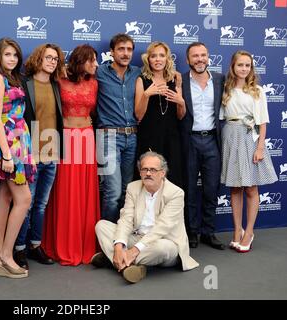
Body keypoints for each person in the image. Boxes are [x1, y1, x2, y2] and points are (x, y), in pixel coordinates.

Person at [93, 151, 199, 284]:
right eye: (145, 169)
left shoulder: (175, 193)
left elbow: (162, 228)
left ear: (163, 173)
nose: (148, 173)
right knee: (102, 226)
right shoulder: (133, 188)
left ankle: (115, 259)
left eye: (153, 170)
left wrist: (135, 250)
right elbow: (126, 219)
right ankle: (128, 265)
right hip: (137, 237)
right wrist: (119, 246)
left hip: (163, 241)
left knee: (162, 248)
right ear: (140, 172)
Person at [42, 44, 101, 266]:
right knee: (65, 191)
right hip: (64, 139)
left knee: (85, 192)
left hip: (86, 138)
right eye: (91, 60)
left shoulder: (94, 83)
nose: (96, 64)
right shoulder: (59, 79)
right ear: (80, 61)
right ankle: (62, 244)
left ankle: (84, 244)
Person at [0, 38, 36, 278]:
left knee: (5, 196)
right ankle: (6, 255)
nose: (12, 59)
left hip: (18, 140)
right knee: (23, 199)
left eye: (15, 55)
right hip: (8, 144)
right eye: (7, 54)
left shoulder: (14, 78)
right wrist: (5, 153)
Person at [13, 44, 65, 269]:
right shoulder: (25, 84)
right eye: (48, 57)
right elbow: (16, 119)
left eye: (55, 59)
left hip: (51, 155)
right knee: (27, 203)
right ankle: (19, 249)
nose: (52, 62)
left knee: (41, 205)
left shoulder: (55, 85)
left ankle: (35, 245)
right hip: (30, 156)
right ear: (38, 58)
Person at [220, 50, 277, 253]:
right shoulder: (225, 88)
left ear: (251, 68)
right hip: (229, 136)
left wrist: (260, 147)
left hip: (249, 138)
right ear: (233, 67)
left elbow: (262, 123)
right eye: (240, 65)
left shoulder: (257, 91)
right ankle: (237, 230)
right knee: (235, 188)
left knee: (251, 188)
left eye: (247, 65)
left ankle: (249, 232)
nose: (244, 69)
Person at [180, 42, 226, 250]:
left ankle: (208, 231)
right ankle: (192, 232)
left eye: (203, 55)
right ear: (188, 60)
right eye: (195, 56)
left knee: (211, 189)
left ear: (208, 57)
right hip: (189, 140)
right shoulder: (179, 80)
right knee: (189, 189)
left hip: (212, 142)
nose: (200, 59)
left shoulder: (220, 79)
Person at [96, 33, 140, 223]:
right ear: (112, 52)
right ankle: (107, 240)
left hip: (132, 137)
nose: (125, 53)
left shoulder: (138, 73)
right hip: (108, 137)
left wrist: (177, 75)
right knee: (112, 192)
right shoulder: (99, 73)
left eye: (129, 49)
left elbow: (162, 73)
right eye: (121, 49)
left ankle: (121, 239)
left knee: (126, 191)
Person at [135, 41, 185, 187]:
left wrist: (181, 102)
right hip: (149, 137)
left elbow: (181, 115)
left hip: (171, 139)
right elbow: (138, 115)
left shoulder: (175, 80)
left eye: (162, 55)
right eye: (153, 56)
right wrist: (146, 95)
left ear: (167, 59)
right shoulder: (142, 80)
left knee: (172, 181)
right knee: (149, 182)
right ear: (148, 59)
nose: (158, 59)